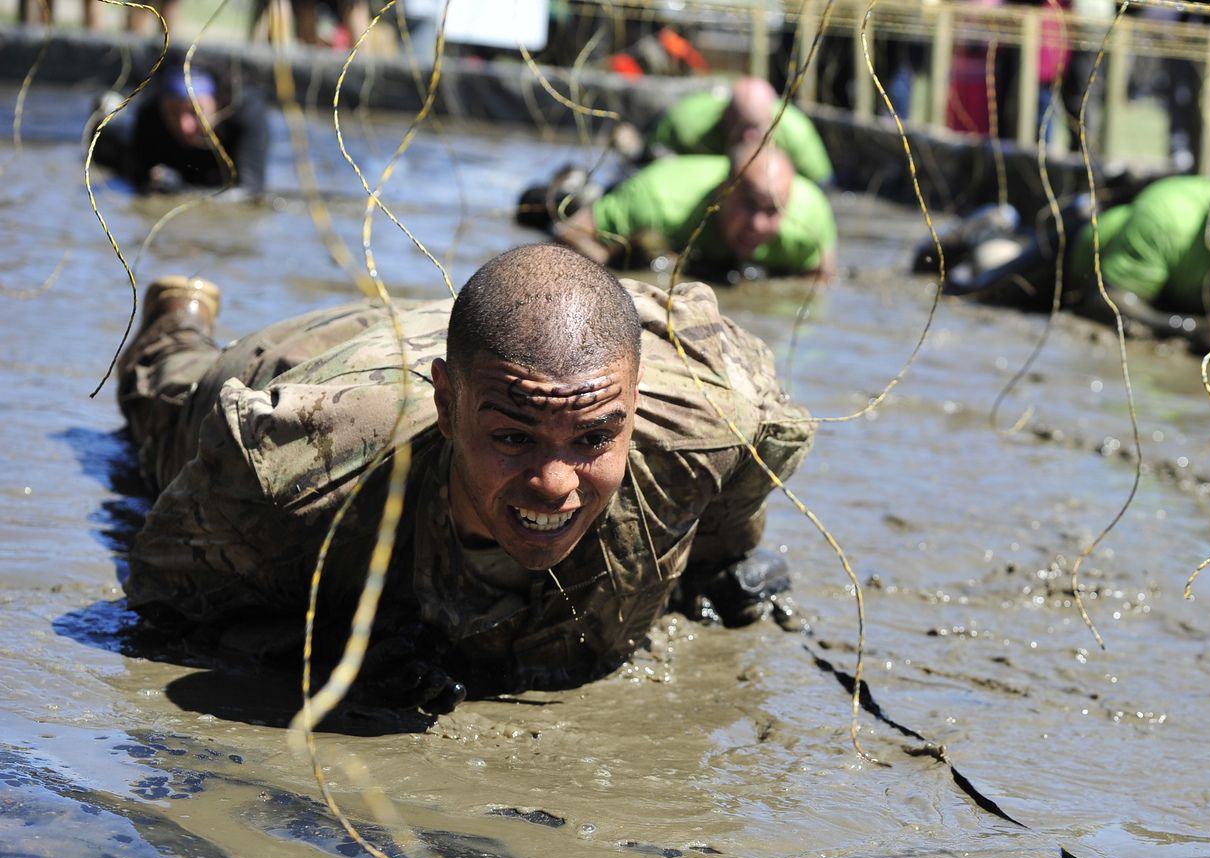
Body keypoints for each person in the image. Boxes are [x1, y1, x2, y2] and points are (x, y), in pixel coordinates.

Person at [115, 245, 813, 709]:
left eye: (594, 439)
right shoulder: (299, 462)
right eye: (514, 437)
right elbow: (162, 596)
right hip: (310, 366)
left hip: (485, 346)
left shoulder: (711, 430)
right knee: (166, 393)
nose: (554, 483)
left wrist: (707, 576)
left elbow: (728, 516)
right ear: (448, 406)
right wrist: (324, 649)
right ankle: (179, 318)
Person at [926, 133, 1210, 352]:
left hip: (1171, 295)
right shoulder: (1172, 216)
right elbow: (1104, 303)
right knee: (970, 288)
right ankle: (985, 233)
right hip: (1076, 261)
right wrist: (1193, 328)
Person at [553, 142, 837, 281]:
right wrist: (618, 268)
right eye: (748, 205)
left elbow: (817, 282)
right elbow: (569, 232)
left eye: (772, 211)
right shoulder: (658, 199)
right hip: (650, 191)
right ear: (722, 193)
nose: (758, 224)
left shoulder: (807, 221)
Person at [91, 66, 270, 197]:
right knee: (107, 150)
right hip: (170, 160)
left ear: (217, 103)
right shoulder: (151, 112)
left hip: (213, 172)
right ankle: (106, 117)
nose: (185, 125)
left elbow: (250, 191)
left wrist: (185, 192)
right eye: (173, 112)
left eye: (196, 112)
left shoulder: (245, 113)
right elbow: (138, 176)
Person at [649, 76, 833, 186]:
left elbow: (823, 184)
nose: (748, 137)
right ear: (725, 115)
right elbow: (653, 157)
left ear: (771, 120)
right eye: (741, 126)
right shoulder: (687, 123)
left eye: (756, 128)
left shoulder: (797, 134)